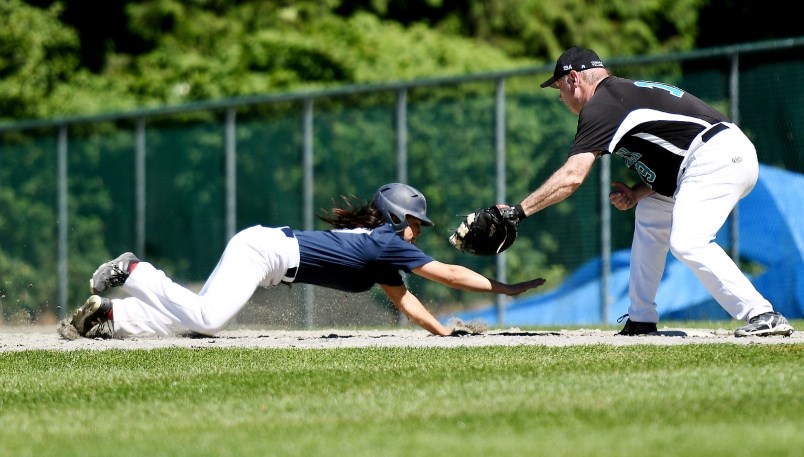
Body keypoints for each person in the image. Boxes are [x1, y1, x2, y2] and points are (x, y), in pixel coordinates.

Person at [492, 46, 794, 337]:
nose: (560, 96)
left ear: (574, 79)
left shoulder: (602, 105)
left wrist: (518, 212)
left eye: (559, 87)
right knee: (651, 214)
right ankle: (641, 318)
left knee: (688, 241)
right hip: (709, 156)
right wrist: (637, 193)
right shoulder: (620, 95)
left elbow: (572, 176)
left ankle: (761, 313)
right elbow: (674, 150)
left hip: (716, 155)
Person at [67, 182, 546, 338]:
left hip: (263, 251)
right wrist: (504, 288)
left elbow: (406, 302)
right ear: (398, 217)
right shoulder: (386, 240)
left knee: (192, 323)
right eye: (416, 222)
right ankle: (136, 271)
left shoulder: (382, 251)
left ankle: (115, 317)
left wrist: (443, 332)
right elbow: (449, 273)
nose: (418, 231)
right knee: (209, 319)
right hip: (262, 253)